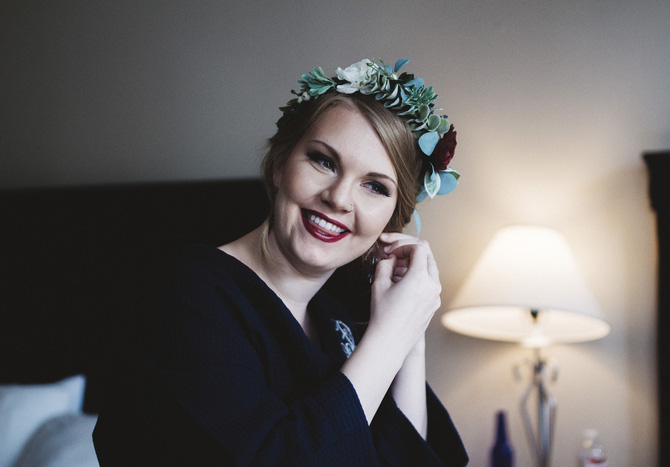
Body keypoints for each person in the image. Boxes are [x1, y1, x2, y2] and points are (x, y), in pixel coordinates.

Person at [93, 58, 468, 466]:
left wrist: (409, 340)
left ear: (391, 221)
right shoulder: (191, 293)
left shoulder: (337, 321)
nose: (339, 198)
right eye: (324, 161)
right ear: (278, 166)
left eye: (375, 186)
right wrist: (389, 338)